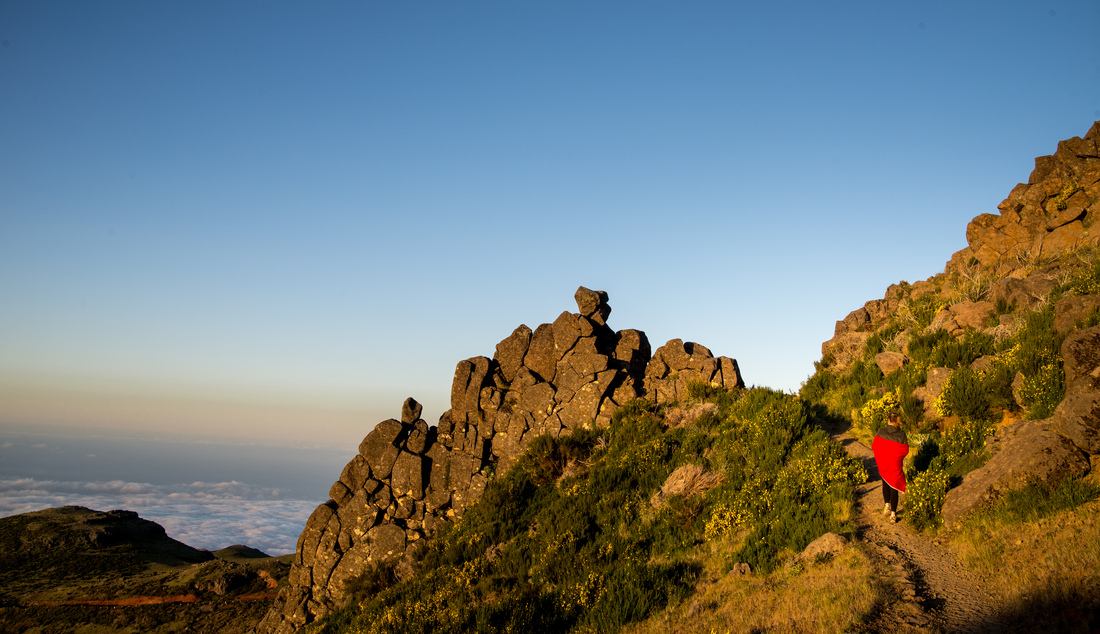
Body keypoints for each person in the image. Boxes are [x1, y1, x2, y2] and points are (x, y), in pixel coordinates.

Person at [871, 411, 909, 523]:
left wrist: (883, 455)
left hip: (883, 463)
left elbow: (875, 446)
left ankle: (887, 505)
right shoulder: (902, 434)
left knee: (885, 483)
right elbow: (905, 450)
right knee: (894, 486)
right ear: (897, 421)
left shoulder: (881, 431)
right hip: (894, 464)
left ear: (888, 420)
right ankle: (893, 513)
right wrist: (895, 456)